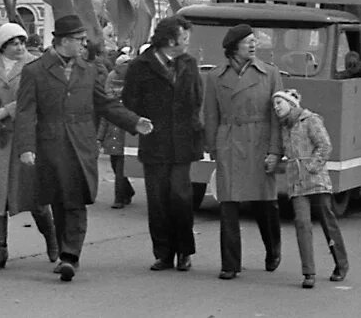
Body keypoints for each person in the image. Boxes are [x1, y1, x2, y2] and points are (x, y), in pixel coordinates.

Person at [15, 15, 153, 282]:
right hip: (50, 146)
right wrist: (26, 147)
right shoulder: (35, 71)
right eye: (79, 40)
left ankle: (70, 256)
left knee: (76, 200)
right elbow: (25, 112)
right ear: (64, 41)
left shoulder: (89, 70)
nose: (83, 44)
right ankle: (66, 248)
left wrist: (134, 121)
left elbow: (106, 104)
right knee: (58, 200)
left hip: (81, 146)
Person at [0, 22, 57, 271]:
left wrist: (4, 111)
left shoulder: (36, 65)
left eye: (21, 42)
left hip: (26, 138)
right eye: (13, 43)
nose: (19, 46)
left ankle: (51, 239)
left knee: (34, 195)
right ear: (2, 47)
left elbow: (37, 99)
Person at [122, 16, 203, 272]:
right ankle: (163, 253)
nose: (188, 42)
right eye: (184, 37)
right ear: (170, 41)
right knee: (157, 200)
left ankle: (184, 251)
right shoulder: (140, 66)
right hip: (155, 142)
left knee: (181, 197)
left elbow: (197, 99)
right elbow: (129, 101)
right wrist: (142, 120)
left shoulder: (189, 64)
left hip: (182, 143)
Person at [203, 23, 283, 281]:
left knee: (265, 204)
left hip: (259, 142)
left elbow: (276, 116)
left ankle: (273, 249)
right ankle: (230, 264)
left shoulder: (270, 74)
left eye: (254, 40)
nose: (253, 44)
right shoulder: (215, 77)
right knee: (228, 204)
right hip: (229, 142)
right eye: (248, 41)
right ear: (233, 46)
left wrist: (274, 151)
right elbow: (211, 114)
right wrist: (213, 147)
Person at [272, 88, 348, 289]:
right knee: (302, 224)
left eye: (279, 103)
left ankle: (341, 264)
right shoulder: (283, 127)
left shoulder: (310, 120)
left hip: (316, 180)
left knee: (327, 220)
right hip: (296, 182)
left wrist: (311, 167)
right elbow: (283, 153)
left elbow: (324, 145)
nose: (276, 108)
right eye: (274, 105)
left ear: (291, 103)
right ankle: (308, 272)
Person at [100, 51, 136, 209]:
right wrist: (99, 137)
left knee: (120, 165)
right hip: (112, 131)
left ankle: (119, 197)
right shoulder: (112, 77)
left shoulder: (130, 81)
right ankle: (127, 191)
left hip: (125, 131)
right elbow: (105, 115)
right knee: (116, 165)